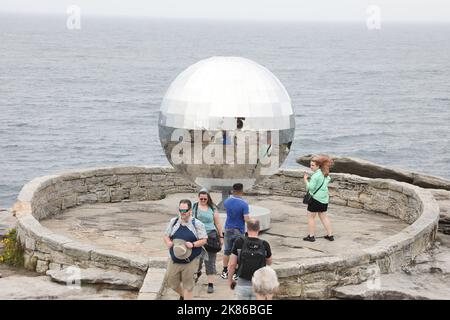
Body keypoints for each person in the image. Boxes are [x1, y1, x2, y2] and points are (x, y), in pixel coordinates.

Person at [163, 199, 208, 300]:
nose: (182, 213)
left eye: (185, 211)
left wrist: (193, 244)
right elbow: (166, 236)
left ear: (190, 210)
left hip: (190, 261)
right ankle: (184, 295)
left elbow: (204, 240)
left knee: (188, 286)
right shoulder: (173, 222)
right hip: (174, 259)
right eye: (180, 210)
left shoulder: (197, 224)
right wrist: (168, 242)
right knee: (171, 283)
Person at [228, 218, 272, 300]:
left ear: (246, 228)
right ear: (259, 229)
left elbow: (232, 264)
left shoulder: (239, 242)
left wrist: (230, 280)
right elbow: (269, 262)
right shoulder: (264, 244)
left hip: (242, 284)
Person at [193, 188, 224, 294]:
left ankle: (210, 284)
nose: (202, 200)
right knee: (197, 259)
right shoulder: (194, 207)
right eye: (201, 198)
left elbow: (218, 223)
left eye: (204, 199)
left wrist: (221, 236)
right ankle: (197, 273)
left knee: (210, 261)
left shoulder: (212, 208)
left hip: (211, 236)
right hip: (198, 236)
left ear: (208, 198)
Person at [303, 155, 334, 242]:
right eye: (310, 165)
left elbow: (310, 188)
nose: (311, 167)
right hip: (324, 200)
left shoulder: (315, 176)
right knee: (324, 217)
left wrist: (306, 180)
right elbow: (328, 179)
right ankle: (330, 235)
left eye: (313, 165)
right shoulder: (325, 174)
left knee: (311, 217)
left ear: (318, 166)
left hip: (315, 200)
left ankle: (311, 236)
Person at [221, 183, 250, 280]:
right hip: (239, 230)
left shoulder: (227, 201)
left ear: (233, 190)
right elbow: (246, 219)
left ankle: (225, 271)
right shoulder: (244, 204)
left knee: (226, 251)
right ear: (242, 191)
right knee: (238, 251)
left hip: (228, 228)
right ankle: (236, 272)